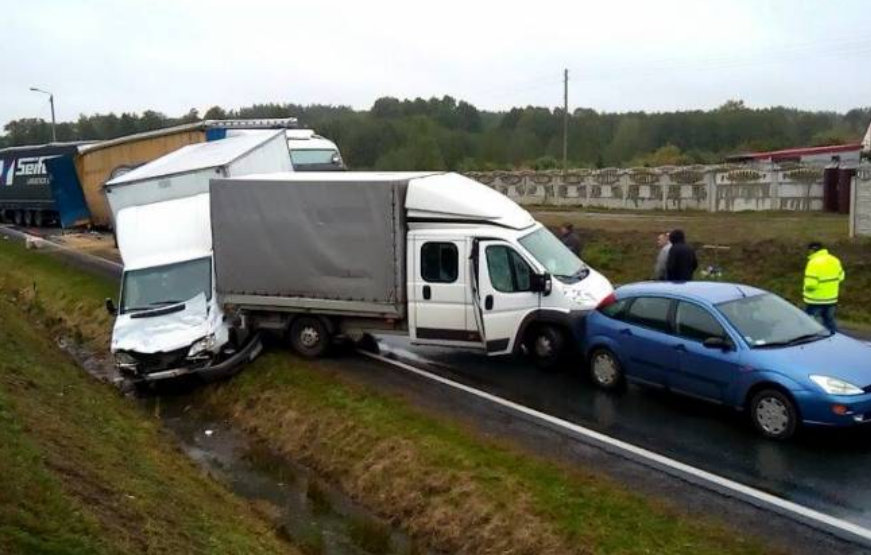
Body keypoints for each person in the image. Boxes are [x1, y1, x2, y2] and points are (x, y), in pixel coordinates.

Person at [803, 241, 845, 333]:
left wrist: (806, 289)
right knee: (829, 321)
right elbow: (841, 277)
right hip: (831, 299)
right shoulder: (835, 260)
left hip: (815, 300)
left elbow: (811, 284)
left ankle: (809, 342)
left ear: (812, 250)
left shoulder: (813, 263)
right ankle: (834, 338)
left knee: (808, 323)